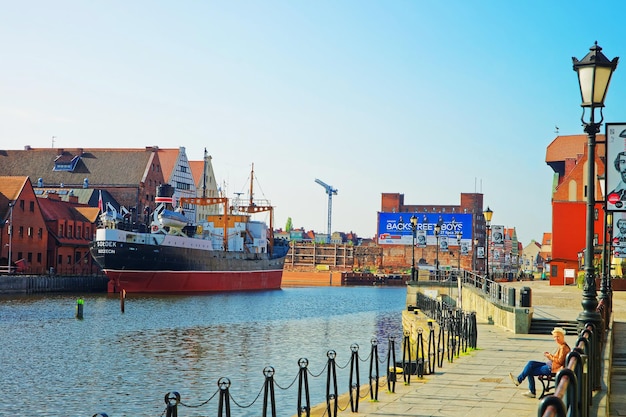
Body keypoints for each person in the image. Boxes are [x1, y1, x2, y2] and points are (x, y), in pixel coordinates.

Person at [509, 327, 570, 398]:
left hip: (552, 368)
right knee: (531, 363)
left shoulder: (563, 347)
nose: (556, 339)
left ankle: (529, 389)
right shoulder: (562, 345)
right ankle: (520, 381)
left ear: (562, 336)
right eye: (555, 337)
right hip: (550, 364)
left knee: (529, 370)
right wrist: (550, 356)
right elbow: (559, 359)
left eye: (558, 337)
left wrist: (550, 356)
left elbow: (559, 361)